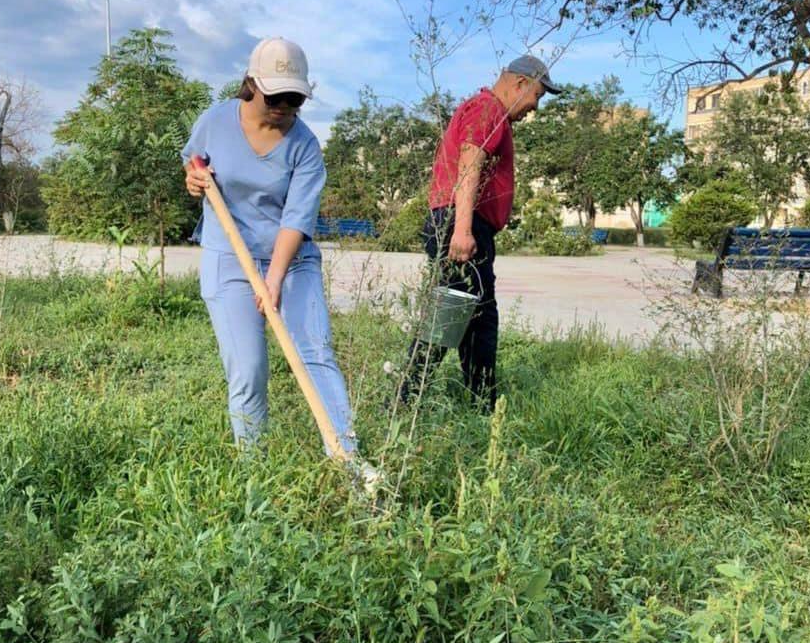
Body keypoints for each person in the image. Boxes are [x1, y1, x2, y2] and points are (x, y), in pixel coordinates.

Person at [182, 37, 376, 486]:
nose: (285, 107)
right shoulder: (214, 121)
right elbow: (193, 164)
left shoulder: (305, 146)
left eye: (295, 99)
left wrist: (273, 278)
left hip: (292, 258)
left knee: (315, 353)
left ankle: (347, 460)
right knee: (248, 367)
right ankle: (255, 474)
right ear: (252, 85)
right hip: (229, 257)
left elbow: (296, 219)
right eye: (277, 97)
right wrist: (194, 180)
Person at [398, 55, 562, 411]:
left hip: (466, 223)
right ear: (520, 84)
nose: (534, 107)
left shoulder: (489, 110)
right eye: (537, 95)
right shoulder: (488, 108)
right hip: (461, 224)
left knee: (477, 318)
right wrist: (462, 229)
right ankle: (406, 400)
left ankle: (478, 402)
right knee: (450, 316)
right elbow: (470, 162)